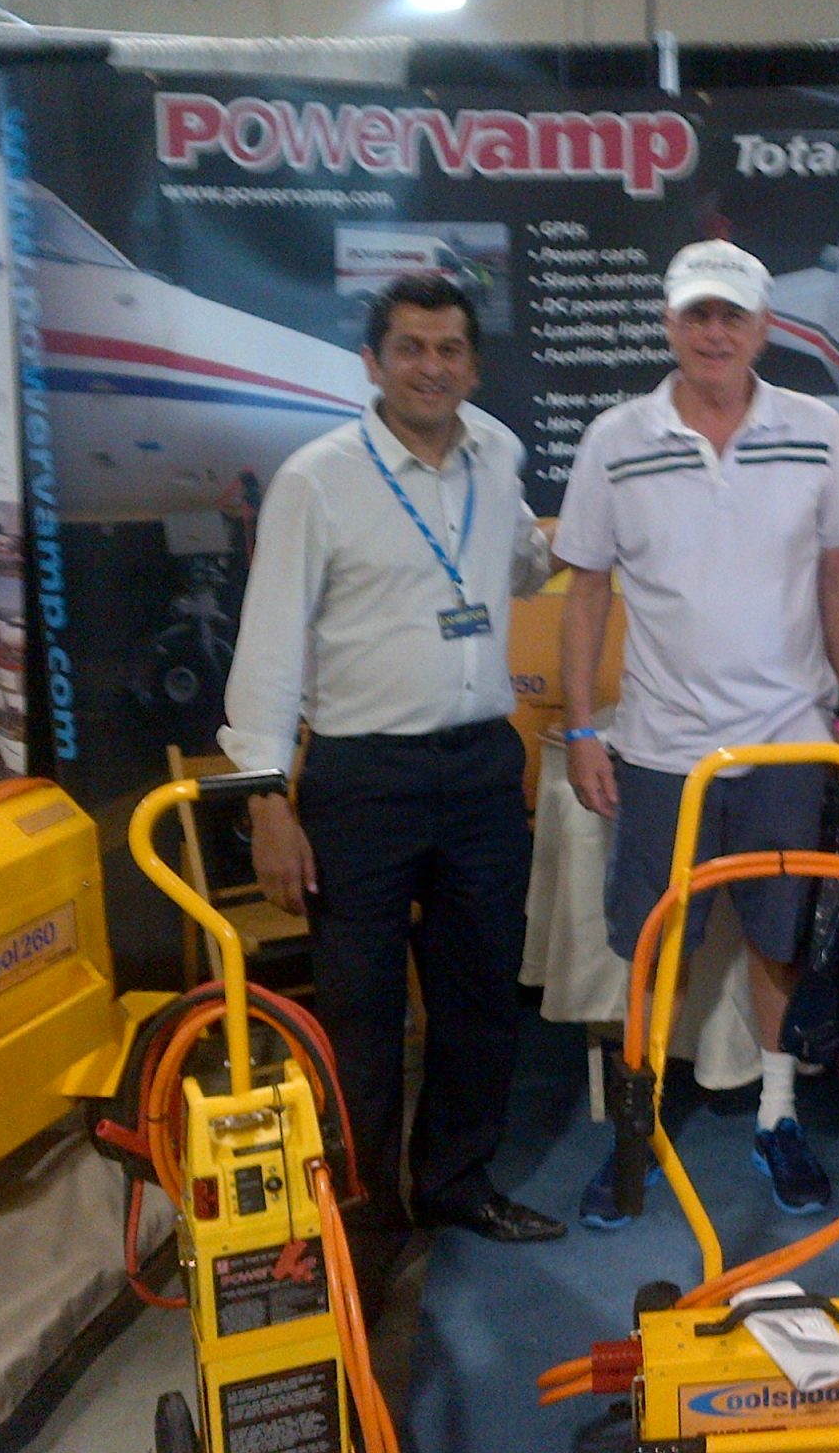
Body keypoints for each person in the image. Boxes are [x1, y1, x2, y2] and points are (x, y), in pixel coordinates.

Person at [218, 274, 565, 1313]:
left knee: (478, 998)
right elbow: (268, 646)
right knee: (361, 1015)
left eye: (450, 349)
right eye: (410, 348)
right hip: (361, 781)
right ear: (372, 363)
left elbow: (521, 563)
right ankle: (365, 1227)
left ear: (473, 364)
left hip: (480, 769)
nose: (431, 367)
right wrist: (266, 801)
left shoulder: (497, 453)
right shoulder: (316, 481)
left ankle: (456, 1185)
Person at [556, 240, 839, 1228]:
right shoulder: (615, 438)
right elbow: (586, 592)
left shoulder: (817, 430)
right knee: (655, 951)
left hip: (786, 743)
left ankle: (777, 1117)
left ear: (763, 328)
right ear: (669, 323)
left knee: (780, 943)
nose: (714, 333)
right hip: (660, 749)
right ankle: (638, 1130)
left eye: (732, 315)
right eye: (697, 313)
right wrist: (581, 728)